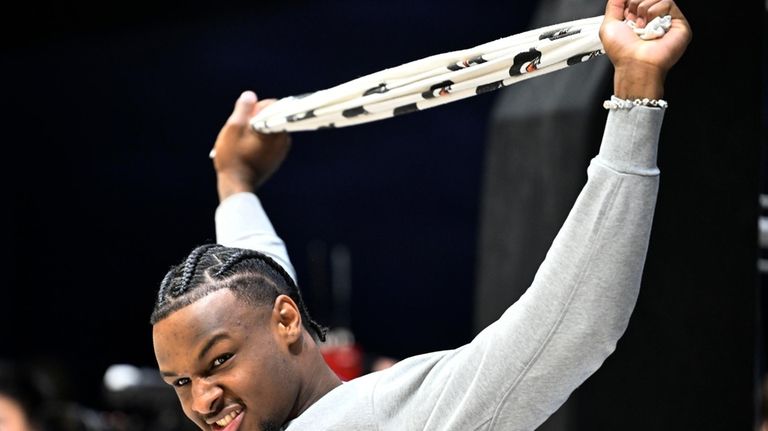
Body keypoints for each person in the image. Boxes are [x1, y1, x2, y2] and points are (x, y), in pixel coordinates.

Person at [150, 0, 692, 429]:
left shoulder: (391, 417)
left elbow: (571, 322)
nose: (202, 401)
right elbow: (259, 290)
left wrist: (636, 99)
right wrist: (235, 183)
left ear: (289, 321)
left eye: (217, 362)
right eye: (180, 383)